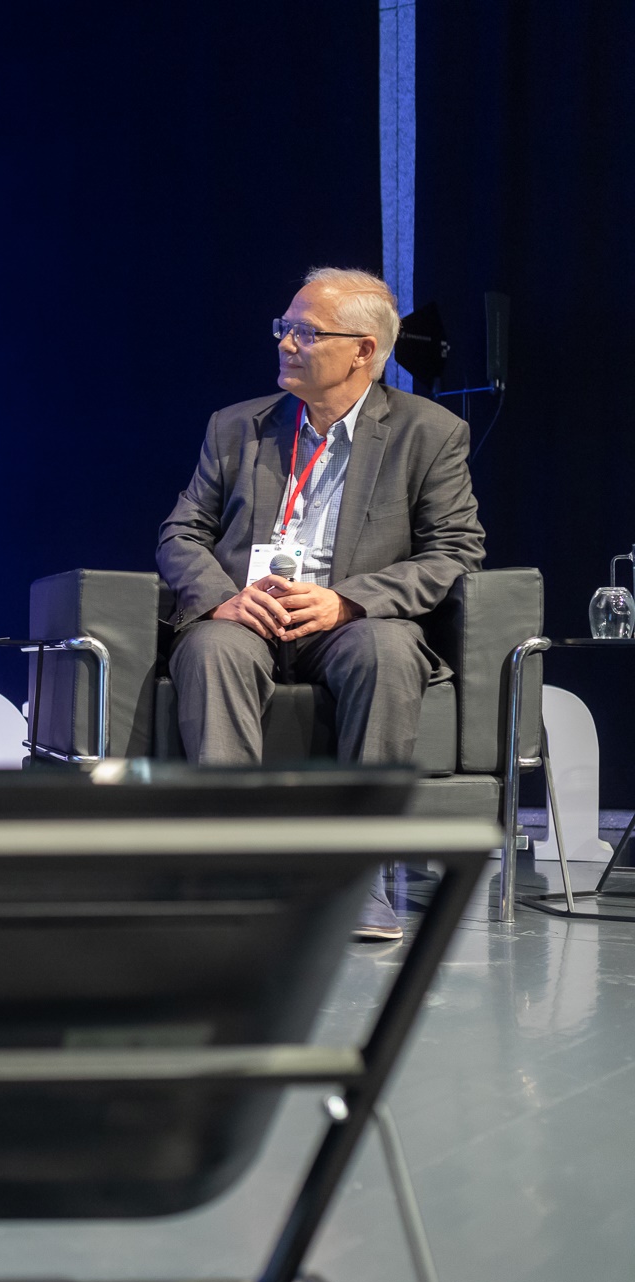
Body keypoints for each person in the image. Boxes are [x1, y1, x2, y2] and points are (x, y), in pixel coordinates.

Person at [157, 267, 485, 941]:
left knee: (389, 648)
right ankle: (237, 874)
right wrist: (223, 599)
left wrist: (349, 600)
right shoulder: (236, 428)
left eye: (306, 331)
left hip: (349, 619)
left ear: (364, 349)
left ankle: (353, 880)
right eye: (285, 327)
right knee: (211, 648)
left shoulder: (431, 433)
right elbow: (181, 531)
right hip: (247, 614)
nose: (286, 343)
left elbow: (455, 552)